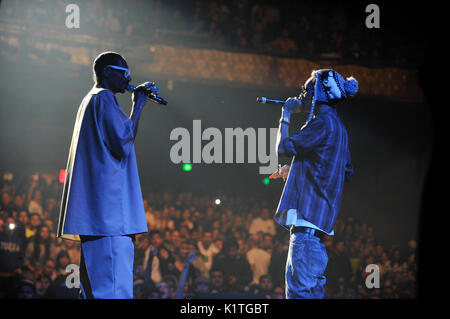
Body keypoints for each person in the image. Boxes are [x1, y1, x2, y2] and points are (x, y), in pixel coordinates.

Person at [56, 51, 159, 299]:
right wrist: (139, 105)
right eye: (123, 73)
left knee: (94, 289)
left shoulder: (89, 100)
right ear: (106, 72)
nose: (128, 78)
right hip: (110, 217)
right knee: (113, 290)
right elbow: (123, 141)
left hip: (98, 216)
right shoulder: (103, 98)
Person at [270, 69, 357, 299]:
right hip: (317, 236)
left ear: (318, 93)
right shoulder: (340, 129)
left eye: (306, 90)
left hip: (306, 236)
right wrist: (298, 171)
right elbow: (345, 172)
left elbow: (283, 148)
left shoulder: (322, 124)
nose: (302, 96)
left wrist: (286, 113)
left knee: (299, 294)